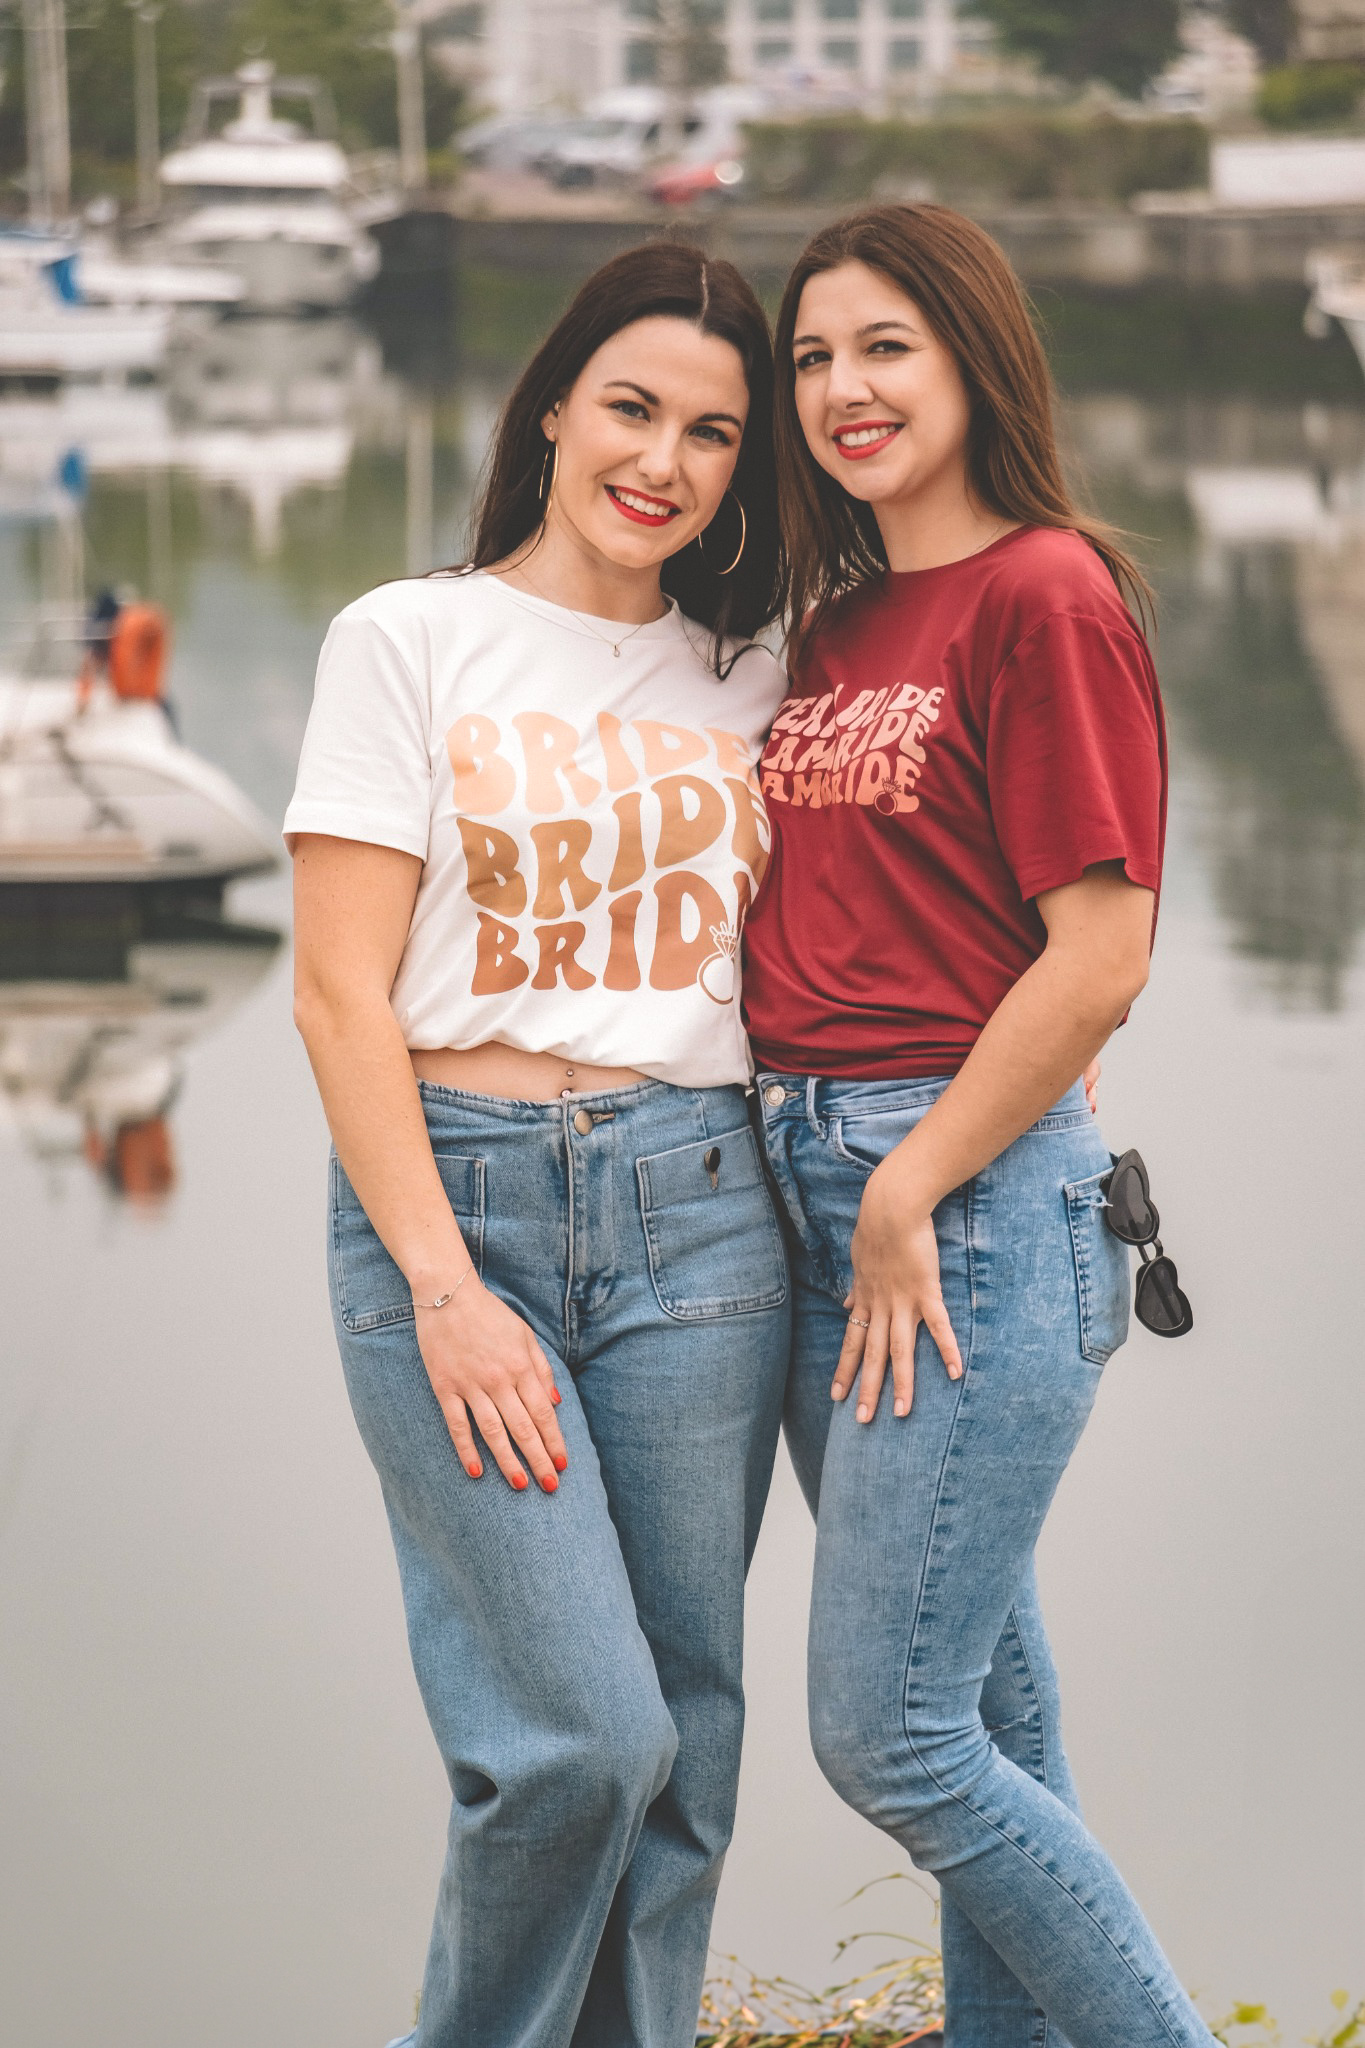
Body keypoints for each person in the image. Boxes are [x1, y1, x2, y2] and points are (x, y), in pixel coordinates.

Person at [285, 243, 791, 2048]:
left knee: (686, 1749)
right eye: (634, 409)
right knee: (578, 1739)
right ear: (558, 407)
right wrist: (439, 1285)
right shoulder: (404, 638)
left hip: (702, 1215)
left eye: (715, 433)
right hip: (456, 1200)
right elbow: (343, 1000)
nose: (664, 460)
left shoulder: (753, 672)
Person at [742, 205, 1218, 2048]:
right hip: (812, 1181)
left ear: (969, 358)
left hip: (956, 1203)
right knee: (991, 1722)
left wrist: (913, 1180)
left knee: (893, 1734)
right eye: (810, 358)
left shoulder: (1046, 592)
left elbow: (1101, 954)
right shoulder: (840, 619)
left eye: (884, 348)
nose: (842, 391)